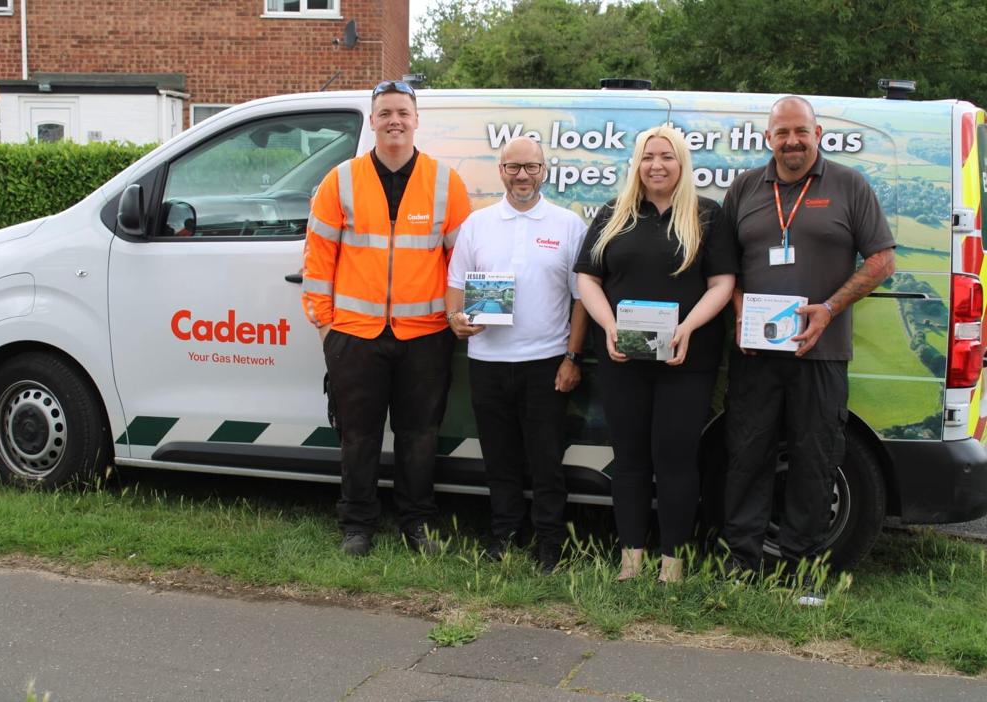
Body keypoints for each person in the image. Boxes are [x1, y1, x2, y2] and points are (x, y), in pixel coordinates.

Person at [721, 96, 896, 591]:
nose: (792, 140)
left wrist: (830, 309)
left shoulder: (849, 185)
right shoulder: (745, 188)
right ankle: (742, 564)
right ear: (768, 139)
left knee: (814, 459)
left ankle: (802, 570)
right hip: (755, 355)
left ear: (817, 135)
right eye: (782, 132)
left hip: (820, 351)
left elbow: (882, 260)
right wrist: (737, 312)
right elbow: (725, 266)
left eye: (801, 131)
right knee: (747, 455)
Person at [301, 79, 472, 556]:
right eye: (385, 113)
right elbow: (318, 258)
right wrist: (325, 327)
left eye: (402, 112)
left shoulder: (445, 182)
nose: (394, 120)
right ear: (372, 121)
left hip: (426, 334)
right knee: (358, 435)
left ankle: (417, 524)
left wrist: (461, 316)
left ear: (416, 120)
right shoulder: (342, 180)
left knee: (420, 436)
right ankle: (357, 525)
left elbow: (463, 260)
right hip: (354, 335)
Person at [575, 126, 737, 583]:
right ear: (637, 164)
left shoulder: (707, 215)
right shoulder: (614, 214)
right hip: (622, 358)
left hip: (685, 360)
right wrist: (608, 326)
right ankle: (631, 560)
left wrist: (687, 328)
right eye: (648, 157)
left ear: (682, 163)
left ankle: (673, 565)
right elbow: (587, 278)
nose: (657, 165)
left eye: (667, 157)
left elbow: (722, 283)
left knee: (676, 459)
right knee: (628, 459)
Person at [445, 136, 589, 574]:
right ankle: (504, 535)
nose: (522, 175)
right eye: (512, 167)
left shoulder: (568, 225)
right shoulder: (477, 224)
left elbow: (582, 299)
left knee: (546, 461)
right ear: (501, 170)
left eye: (530, 167)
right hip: (487, 360)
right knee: (499, 458)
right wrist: (455, 318)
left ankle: (550, 543)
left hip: (546, 361)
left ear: (545, 169)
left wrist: (573, 357)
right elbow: (455, 287)